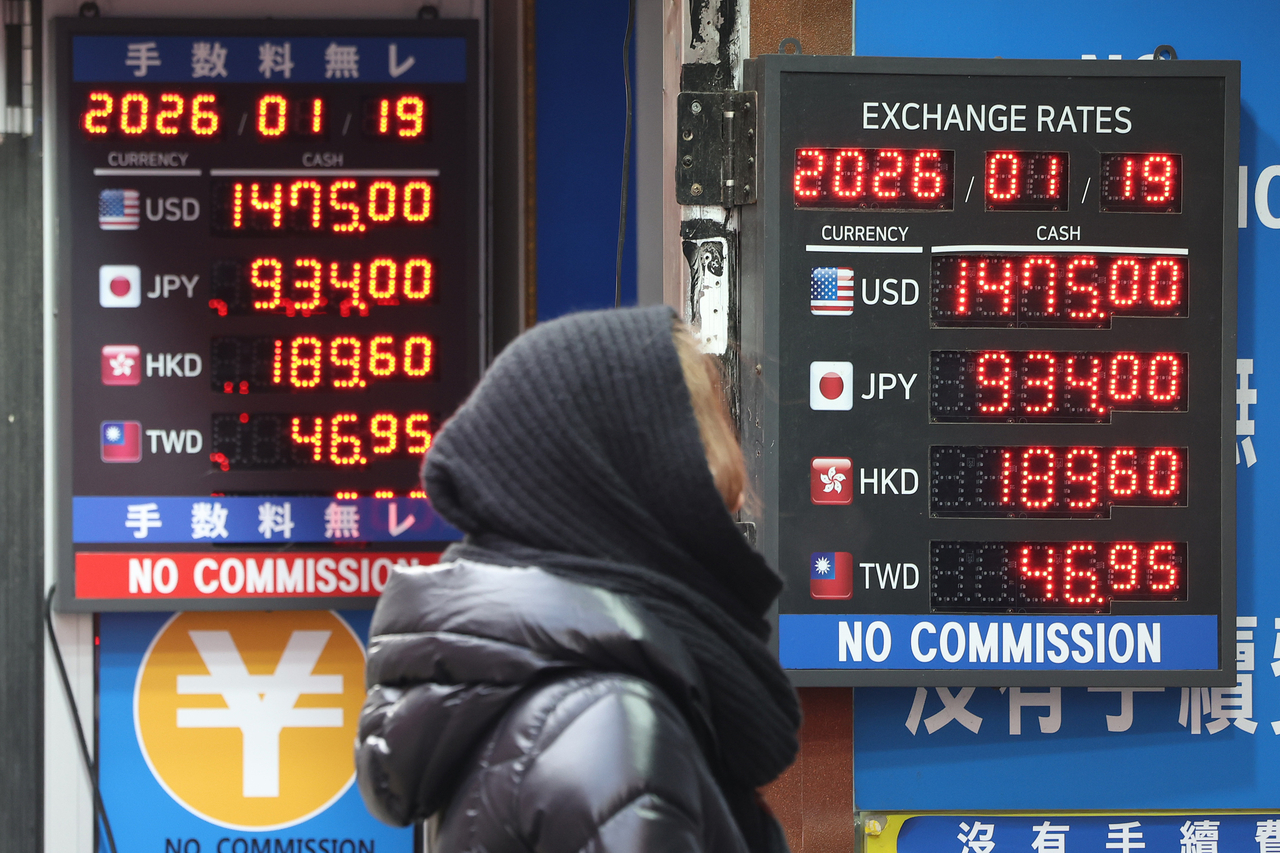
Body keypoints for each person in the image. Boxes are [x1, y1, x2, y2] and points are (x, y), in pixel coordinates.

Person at [355, 306, 801, 853]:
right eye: (695, 446)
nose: (726, 482)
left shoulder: (539, 702)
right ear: (624, 477)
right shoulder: (607, 722)